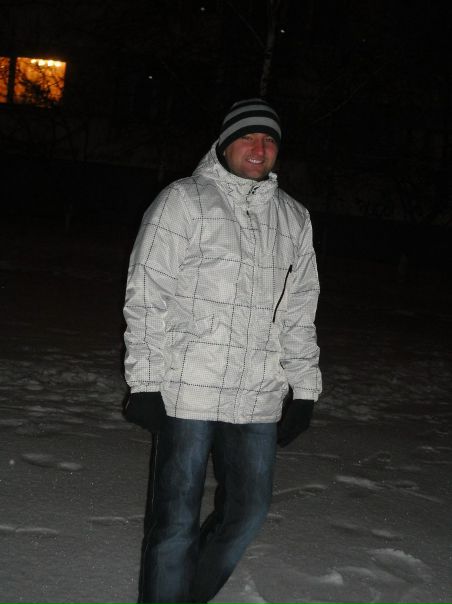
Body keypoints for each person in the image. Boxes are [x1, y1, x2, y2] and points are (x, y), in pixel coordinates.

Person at [123, 98, 322, 604]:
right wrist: (144, 382)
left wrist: (304, 390)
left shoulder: (294, 218)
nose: (259, 148)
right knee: (174, 523)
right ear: (225, 143)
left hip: (257, 395)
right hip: (187, 391)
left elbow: (299, 312)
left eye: (269, 140)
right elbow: (146, 293)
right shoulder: (184, 200)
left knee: (247, 514)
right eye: (248, 137)